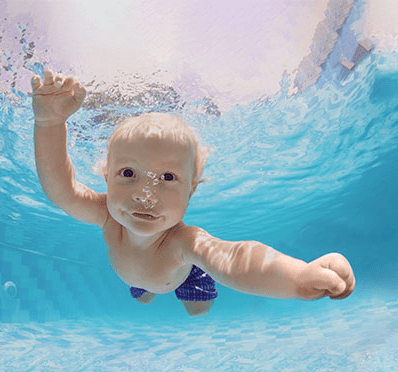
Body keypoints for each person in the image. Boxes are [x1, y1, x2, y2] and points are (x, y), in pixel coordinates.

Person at [31, 70, 355, 317]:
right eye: (128, 174)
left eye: (167, 177)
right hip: (138, 278)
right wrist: (49, 123)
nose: (145, 195)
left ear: (190, 191)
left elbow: (236, 259)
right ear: (107, 179)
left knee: (197, 311)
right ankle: (149, 288)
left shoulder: (184, 241)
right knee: (143, 295)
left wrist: (297, 277)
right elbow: (62, 190)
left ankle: (181, 286)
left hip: (183, 276)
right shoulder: (107, 214)